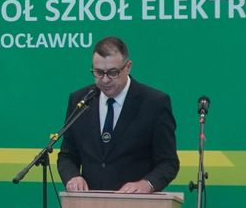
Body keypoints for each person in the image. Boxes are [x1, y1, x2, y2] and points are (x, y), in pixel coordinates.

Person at [57, 35, 179, 194]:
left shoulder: (154, 103)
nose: (105, 80)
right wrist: (73, 177)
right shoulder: (80, 100)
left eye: (112, 72)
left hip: (135, 203)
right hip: (89, 203)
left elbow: (168, 162)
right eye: (98, 72)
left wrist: (147, 184)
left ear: (128, 67)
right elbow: (67, 156)